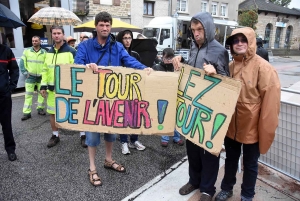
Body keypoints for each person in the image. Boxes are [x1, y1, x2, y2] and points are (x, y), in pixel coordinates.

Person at [75, 11, 152, 187]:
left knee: (111, 133)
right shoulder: (85, 46)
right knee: (92, 137)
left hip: (112, 100)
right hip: (92, 101)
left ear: (111, 27)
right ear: (96, 27)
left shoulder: (116, 46)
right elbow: (76, 64)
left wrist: (145, 68)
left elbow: (129, 61)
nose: (105, 28)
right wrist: (86, 66)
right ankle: (92, 167)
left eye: (107, 25)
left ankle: (108, 159)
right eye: (101, 25)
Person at [215, 27, 280, 201]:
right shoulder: (229, 66)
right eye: (235, 40)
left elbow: (271, 105)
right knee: (230, 159)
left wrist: (264, 130)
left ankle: (247, 195)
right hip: (231, 127)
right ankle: (226, 188)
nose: (239, 43)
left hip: (252, 128)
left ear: (250, 41)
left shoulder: (264, 68)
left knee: (250, 164)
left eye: (243, 39)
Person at [172, 12, 229, 201]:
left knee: (209, 152)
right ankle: (194, 180)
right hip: (192, 108)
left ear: (209, 29)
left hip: (210, 111)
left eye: (200, 29)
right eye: (193, 30)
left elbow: (228, 84)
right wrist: (180, 67)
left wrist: (217, 73)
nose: (196, 33)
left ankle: (207, 189)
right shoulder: (193, 48)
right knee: (192, 149)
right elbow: (192, 74)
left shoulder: (219, 50)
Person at [40, 26, 87, 148]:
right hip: (52, 89)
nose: (56, 35)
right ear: (52, 35)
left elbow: (77, 69)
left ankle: (83, 135)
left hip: (68, 88)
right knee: (52, 113)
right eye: (54, 33)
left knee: (76, 112)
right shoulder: (48, 52)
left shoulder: (71, 51)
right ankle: (55, 135)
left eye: (59, 33)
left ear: (63, 35)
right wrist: (43, 86)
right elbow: (45, 70)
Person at [116, 29, 146, 155]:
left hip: (134, 89)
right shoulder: (116, 54)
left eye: (129, 38)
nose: (127, 40)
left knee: (134, 115)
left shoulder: (135, 54)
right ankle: (124, 142)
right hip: (121, 88)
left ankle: (134, 140)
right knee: (123, 116)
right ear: (120, 40)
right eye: (125, 38)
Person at [152, 48, 184, 147]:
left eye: (171, 57)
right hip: (162, 97)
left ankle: (176, 137)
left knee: (176, 118)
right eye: (167, 57)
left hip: (175, 96)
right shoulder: (157, 67)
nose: (169, 60)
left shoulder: (178, 67)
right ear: (162, 57)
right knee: (164, 117)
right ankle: (164, 138)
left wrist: (181, 59)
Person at [20, 36, 47, 121]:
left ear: (40, 42)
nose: (34, 42)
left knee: (42, 94)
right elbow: (22, 62)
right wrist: (25, 73)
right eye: (33, 41)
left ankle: (40, 109)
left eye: (36, 41)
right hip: (30, 77)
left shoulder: (44, 52)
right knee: (28, 95)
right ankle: (27, 113)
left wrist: (45, 75)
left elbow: (47, 64)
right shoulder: (27, 51)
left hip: (41, 77)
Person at [0, 43, 19, 161]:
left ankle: (10, 149)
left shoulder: (5, 50)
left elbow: (14, 69)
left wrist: (11, 86)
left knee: (6, 124)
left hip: (3, 95)